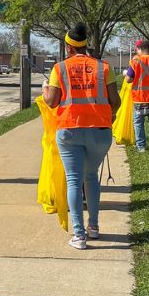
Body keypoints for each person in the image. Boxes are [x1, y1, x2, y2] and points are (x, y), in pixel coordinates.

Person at [44, 26, 115, 248]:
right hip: (100, 132)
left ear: (68, 47)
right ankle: (94, 228)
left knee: (74, 180)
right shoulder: (104, 68)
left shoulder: (60, 68)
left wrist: (46, 88)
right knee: (91, 177)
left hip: (70, 130)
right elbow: (117, 102)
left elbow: (52, 101)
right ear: (85, 45)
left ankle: (79, 235)